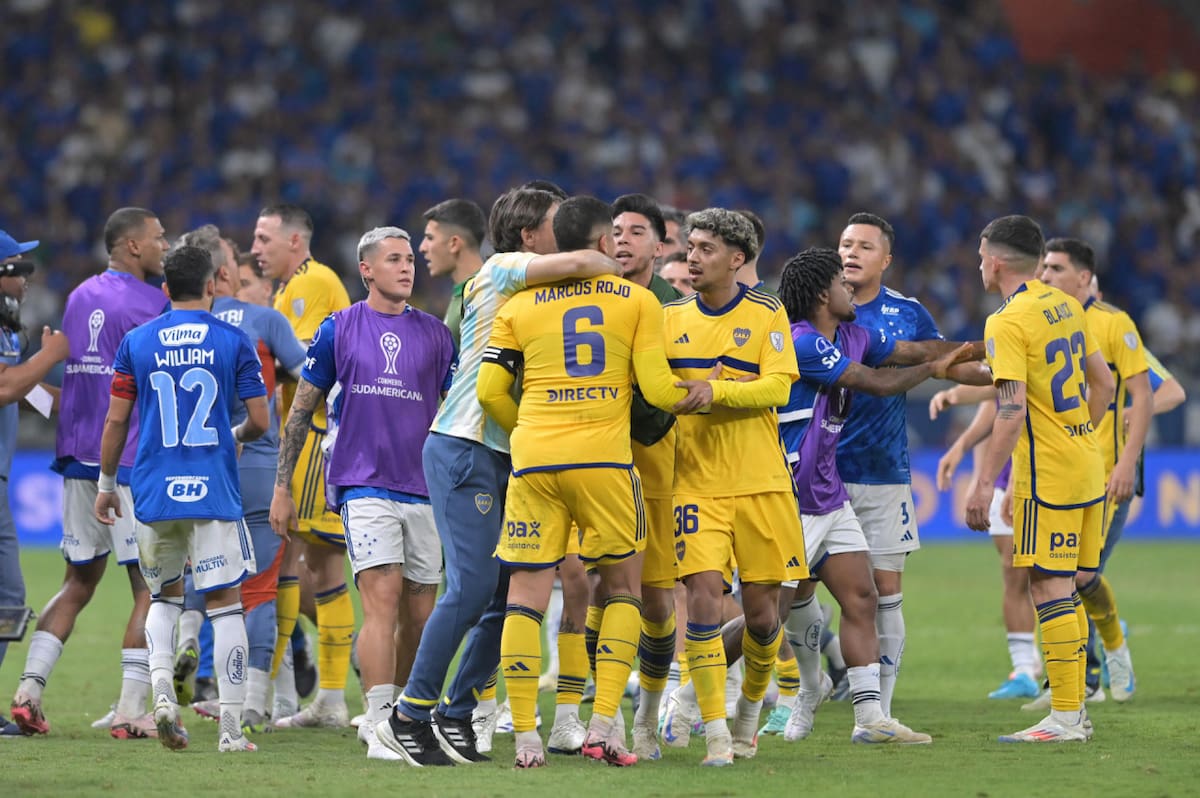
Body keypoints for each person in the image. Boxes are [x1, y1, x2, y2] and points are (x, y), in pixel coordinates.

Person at [377, 187, 621, 767]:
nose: (562, 235)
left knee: (511, 593)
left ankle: (457, 714)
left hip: (505, 453)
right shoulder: (503, 267)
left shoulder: (532, 290)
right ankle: (408, 715)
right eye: (555, 224)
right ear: (530, 236)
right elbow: (588, 261)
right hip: (467, 445)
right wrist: (618, 259)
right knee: (470, 587)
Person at [478, 195, 690, 768]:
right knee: (622, 589)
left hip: (535, 462)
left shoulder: (518, 304)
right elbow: (658, 390)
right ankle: (601, 725)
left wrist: (526, 430)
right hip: (604, 463)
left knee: (525, 594)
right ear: (602, 243)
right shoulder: (638, 301)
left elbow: (489, 391)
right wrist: (698, 392)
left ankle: (525, 735)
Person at [776, 248, 974, 744]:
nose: (851, 290)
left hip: (830, 494)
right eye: (842, 283)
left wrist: (993, 349)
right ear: (824, 294)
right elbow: (873, 383)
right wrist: (934, 371)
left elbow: (918, 352)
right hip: (791, 496)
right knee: (766, 614)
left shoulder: (854, 334)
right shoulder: (802, 341)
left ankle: (869, 719)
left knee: (861, 596)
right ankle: (688, 693)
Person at [272, 227, 455, 762]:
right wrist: (283, 488)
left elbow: (453, 413)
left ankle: (400, 712)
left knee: (420, 615)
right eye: (393, 259)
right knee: (381, 603)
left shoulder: (438, 336)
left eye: (409, 259)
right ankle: (377, 722)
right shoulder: (338, 329)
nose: (407, 267)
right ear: (367, 270)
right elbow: (300, 411)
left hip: (424, 489)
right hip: (363, 484)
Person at [93, 244, 269, 752]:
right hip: (212, 488)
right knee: (226, 605)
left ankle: (163, 696)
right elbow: (259, 420)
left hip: (153, 491)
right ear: (213, 283)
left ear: (165, 288)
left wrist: (106, 487)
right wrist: (231, 435)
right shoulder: (234, 340)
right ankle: (232, 732)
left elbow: (116, 420)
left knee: (164, 596)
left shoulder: (137, 341)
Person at [10, 208, 170, 739]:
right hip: (124, 459)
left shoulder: (79, 297)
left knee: (77, 582)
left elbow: (72, 383)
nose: (164, 246)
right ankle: (130, 709)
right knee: (150, 587)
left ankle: (28, 691)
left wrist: (30, 392)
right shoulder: (153, 305)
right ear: (131, 247)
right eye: (157, 238)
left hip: (76, 456)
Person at [659, 208, 808, 766]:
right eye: (690, 246)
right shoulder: (670, 318)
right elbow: (655, 383)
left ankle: (748, 711)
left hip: (762, 482)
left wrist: (715, 392)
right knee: (701, 601)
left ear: (737, 259)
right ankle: (716, 729)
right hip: (695, 483)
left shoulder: (766, 311)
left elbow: (777, 387)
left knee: (765, 616)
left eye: (705, 249)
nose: (692, 257)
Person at [964, 215, 1112, 743]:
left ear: (997, 261)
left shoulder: (1005, 321)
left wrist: (983, 484)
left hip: (1046, 475)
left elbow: (1010, 411)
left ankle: (1066, 717)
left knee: (1047, 587)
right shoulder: (1067, 306)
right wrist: (1077, 434)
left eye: (981, 256)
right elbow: (1104, 382)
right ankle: (1074, 710)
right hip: (1086, 462)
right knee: (1064, 588)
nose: (979, 264)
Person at [834, 212, 990, 717]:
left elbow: (948, 362)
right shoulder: (815, 304)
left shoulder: (906, 312)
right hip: (816, 472)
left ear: (886, 259)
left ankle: (881, 705)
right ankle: (807, 688)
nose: (851, 253)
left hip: (881, 472)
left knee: (886, 592)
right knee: (789, 591)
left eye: (863, 246)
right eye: (845, 244)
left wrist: (1001, 371)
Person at [174, 225, 306, 731]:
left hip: (196, 468)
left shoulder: (168, 328)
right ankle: (251, 703)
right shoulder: (262, 322)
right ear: (224, 273)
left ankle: (186, 641)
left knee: (198, 568)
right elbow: (309, 373)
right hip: (254, 464)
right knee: (258, 591)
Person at [1034, 237, 1150, 704]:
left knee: (1078, 579)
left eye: (1057, 268)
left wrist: (1126, 463)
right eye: (1043, 267)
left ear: (1084, 278)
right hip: (1058, 472)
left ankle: (1111, 648)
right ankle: (1077, 680)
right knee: (1050, 577)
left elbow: (1141, 395)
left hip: (1105, 475)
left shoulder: (1113, 323)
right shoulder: (1043, 321)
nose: (1045, 275)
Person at [251, 204, 354, 729]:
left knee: (297, 562)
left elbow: (306, 363)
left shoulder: (311, 285)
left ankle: (283, 695)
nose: (256, 247)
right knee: (303, 564)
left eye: (265, 237)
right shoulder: (289, 287)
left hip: (316, 440)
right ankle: (301, 696)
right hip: (308, 439)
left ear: (295, 241)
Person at [609, 193, 685, 760]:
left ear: (660, 246)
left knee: (657, 602)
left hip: (655, 468)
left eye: (637, 231)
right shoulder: (594, 299)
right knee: (599, 591)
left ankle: (648, 715)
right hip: (597, 468)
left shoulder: (674, 308)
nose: (623, 239)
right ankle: (602, 717)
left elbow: (670, 400)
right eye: (616, 229)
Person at [0, 231, 70, 736]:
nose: (26, 277)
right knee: (7, 595)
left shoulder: (7, 326)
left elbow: (18, 389)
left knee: (6, 598)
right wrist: (52, 355)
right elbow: (4, 386)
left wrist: (76, 405)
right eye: (15, 267)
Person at [418, 198, 488, 348]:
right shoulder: (462, 294)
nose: (422, 247)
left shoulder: (486, 293)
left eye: (430, 238)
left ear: (454, 244)